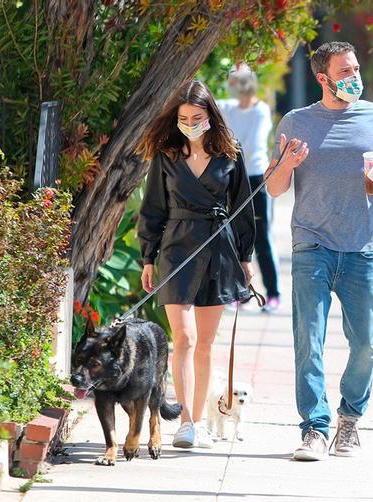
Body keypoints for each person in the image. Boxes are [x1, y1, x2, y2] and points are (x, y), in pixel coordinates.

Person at [265, 41, 373, 461]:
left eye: (355, 68)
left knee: (366, 344)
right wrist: (287, 165)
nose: (353, 77)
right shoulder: (295, 122)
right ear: (322, 78)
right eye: (344, 71)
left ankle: (349, 421)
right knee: (308, 341)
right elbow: (275, 189)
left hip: (362, 246)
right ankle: (314, 428)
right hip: (312, 244)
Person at [136, 79, 255, 449]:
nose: (189, 122)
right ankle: (185, 422)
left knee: (204, 343)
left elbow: (242, 208)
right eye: (184, 117)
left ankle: (200, 421)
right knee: (183, 338)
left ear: (211, 116)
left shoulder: (230, 156)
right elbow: (153, 208)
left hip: (219, 250)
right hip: (175, 249)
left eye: (197, 116)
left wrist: (246, 257)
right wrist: (147, 257)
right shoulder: (167, 157)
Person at [217, 63, 282, 312]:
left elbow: (251, 145)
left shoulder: (260, 111)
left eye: (243, 81)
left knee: (262, 236)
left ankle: (273, 293)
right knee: (233, 236)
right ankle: (239, 293)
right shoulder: (227, 108)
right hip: (233, 177)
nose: (239, 86)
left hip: (256, 179)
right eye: (235, 81)